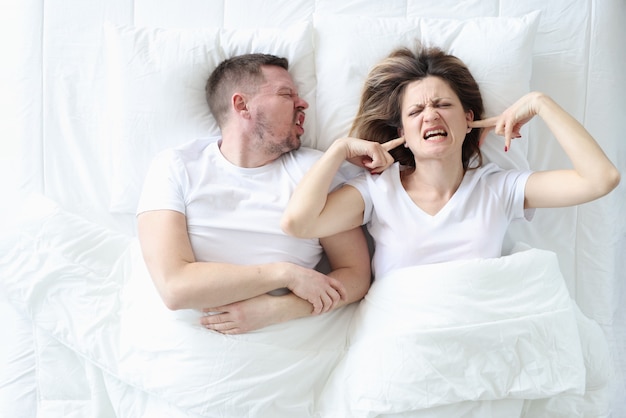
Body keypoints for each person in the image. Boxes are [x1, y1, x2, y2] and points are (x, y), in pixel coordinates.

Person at [281, 45, 620, 277]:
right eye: (416, 111)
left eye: (442, 105)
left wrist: (540, 103)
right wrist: (339, 149)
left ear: (468, 118)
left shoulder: (498, 187)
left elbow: (601, 178)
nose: (430, 116)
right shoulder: (377, 191)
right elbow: (299, 224)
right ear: (403, 132)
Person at [136, 53, 371, 335]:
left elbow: (356, 274)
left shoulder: (315, 171)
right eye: (287, 94)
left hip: (286, 342)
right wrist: (285, 274)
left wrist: (280, 308)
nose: (303, 103)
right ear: (241, 104)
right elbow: (175, 288)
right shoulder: (176, 166)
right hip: (185, 342)